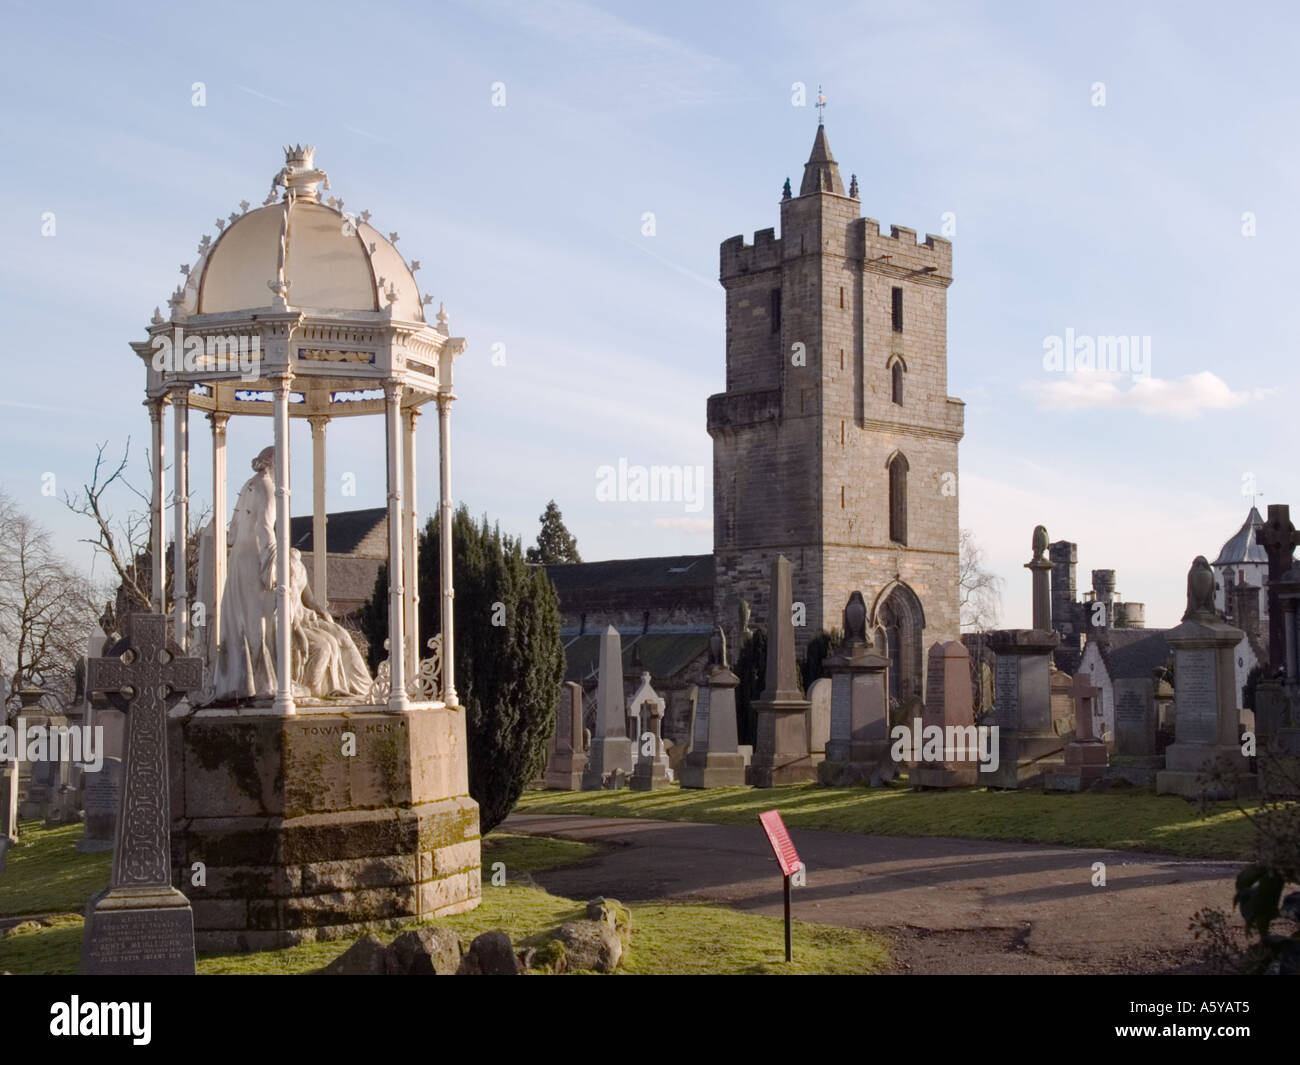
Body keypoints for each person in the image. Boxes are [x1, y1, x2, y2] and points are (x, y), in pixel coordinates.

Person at [211, 446, 277, 701]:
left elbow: (233, 529)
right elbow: (264, 527)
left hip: (237, 557)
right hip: (253, 557)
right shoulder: (269, 488)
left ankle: (234, 679)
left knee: (236, 615)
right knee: (256, 617)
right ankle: (262, 683)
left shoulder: (249, 484)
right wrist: (271, 558)